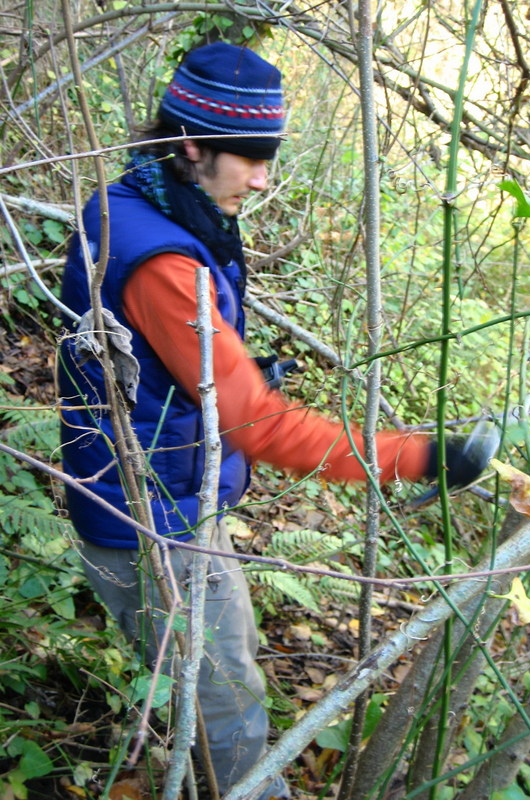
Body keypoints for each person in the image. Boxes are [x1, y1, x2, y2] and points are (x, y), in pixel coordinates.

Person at [58, 42, 482, 798]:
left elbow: (155, 362)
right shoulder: (165, 263)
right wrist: (420, 456)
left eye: (269, 156)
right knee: (231, 721)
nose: (262, 178)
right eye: (250, 158)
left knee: (231, 667)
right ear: (192, 144)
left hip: (161, 499)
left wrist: (210, 374)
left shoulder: (135, 199)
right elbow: (256, 425)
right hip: (154, 527)